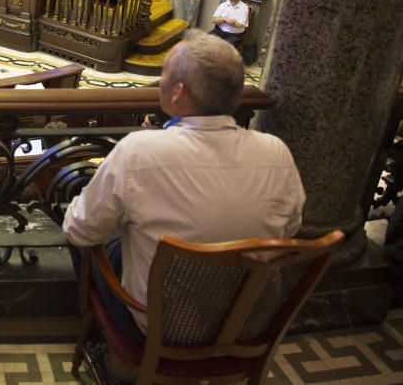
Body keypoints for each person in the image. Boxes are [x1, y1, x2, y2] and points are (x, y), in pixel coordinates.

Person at [62, 30, 305, 350]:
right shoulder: (277, 153)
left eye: (162, 73)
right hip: (248, 322)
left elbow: (79, 230)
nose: (158, 81)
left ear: (178, 92)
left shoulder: (139, 152)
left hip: (161, 330)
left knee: (87, 229)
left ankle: (114, 354)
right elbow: (290, 228)